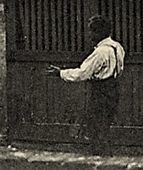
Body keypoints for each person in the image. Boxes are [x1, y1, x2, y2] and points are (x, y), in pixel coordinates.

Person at [46, 15, 125, 155]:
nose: (89, 35)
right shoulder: (118, 47)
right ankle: (105, 155)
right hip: (113, 88)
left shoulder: (101, 52)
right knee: (105, 124)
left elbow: (83, 73)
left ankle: (100, 156)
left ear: (99, 32)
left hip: (101, 90)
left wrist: (61, 73)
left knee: (97, 126)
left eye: (92, 31)